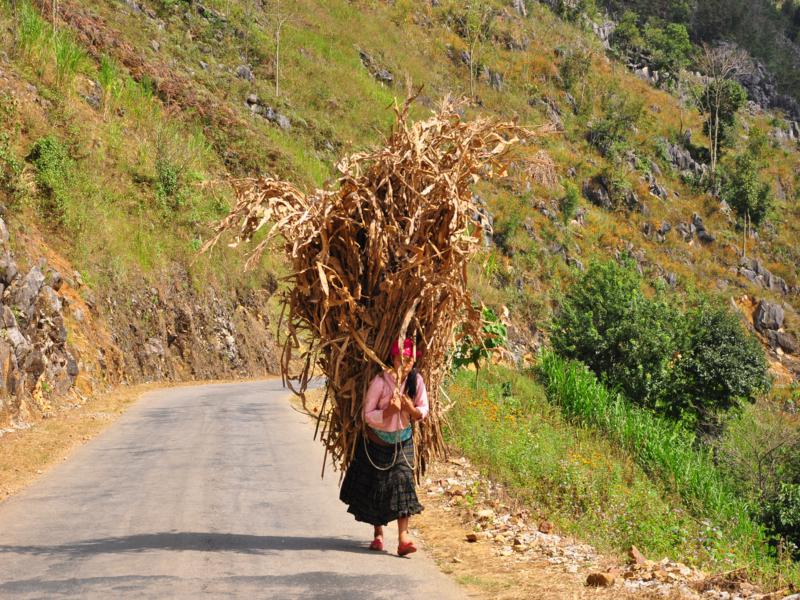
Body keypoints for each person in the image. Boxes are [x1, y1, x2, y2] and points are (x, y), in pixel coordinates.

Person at [339, 337, 429, 556]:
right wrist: (388, 412)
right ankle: (378, 534)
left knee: (403, 483)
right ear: (393, 358)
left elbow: (423, 409)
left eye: (409, 360)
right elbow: (367, 415)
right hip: (376, 442)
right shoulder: (380, 382)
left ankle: (403, 538)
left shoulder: (415, 382)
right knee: (375, 488)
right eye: (401, 359)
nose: (405, 364)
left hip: (402, 442)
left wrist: (411, 409)